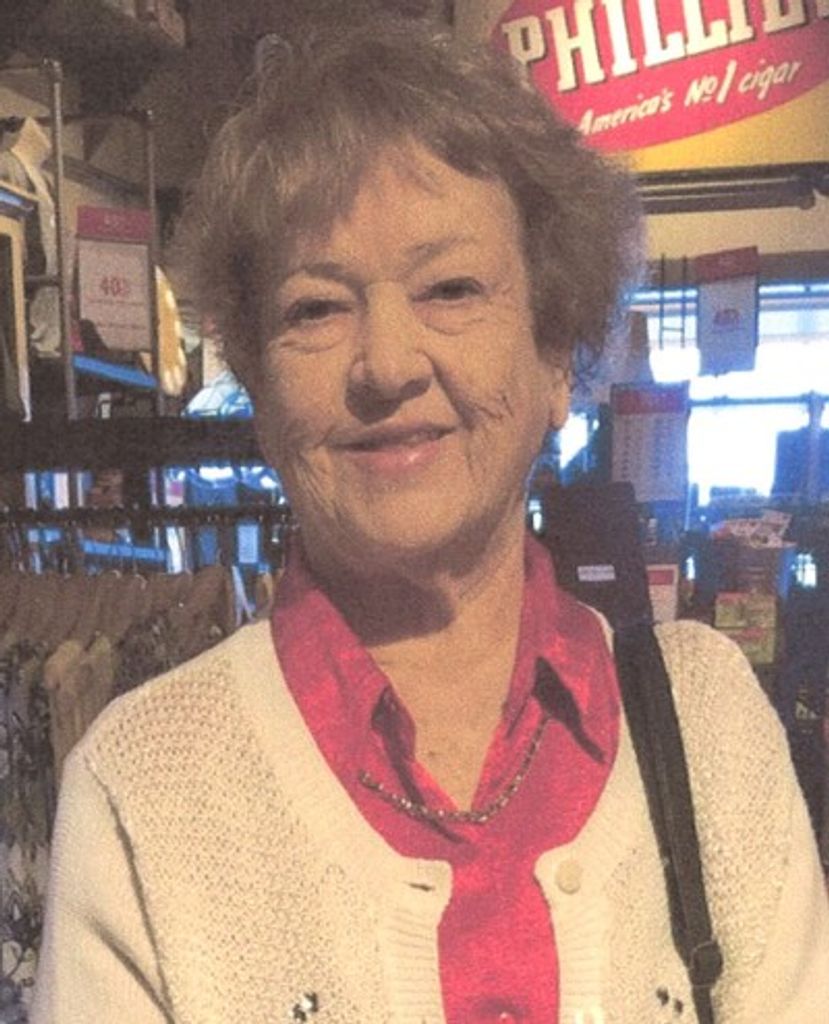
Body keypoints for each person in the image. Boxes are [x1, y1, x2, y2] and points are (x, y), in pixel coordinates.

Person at [31, 15, 829, 1024]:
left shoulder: (708, 724)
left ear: (554, 356)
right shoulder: (143, 788)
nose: (388, 364)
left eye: (450, 289)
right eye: (316, 308)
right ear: (260, 388)